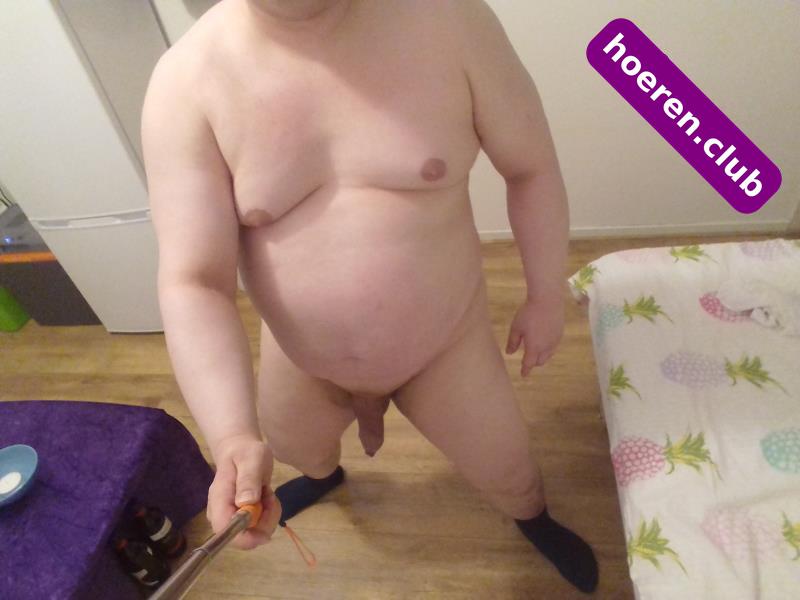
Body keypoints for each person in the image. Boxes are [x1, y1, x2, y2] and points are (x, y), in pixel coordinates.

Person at [142, 0, 597, 593]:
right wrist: (230, 436)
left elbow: (530, 168)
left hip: (445, 344)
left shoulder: (451, 21)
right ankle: (322, 476)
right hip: (302, 359)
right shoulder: (186, 82)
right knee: (298, 449)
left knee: (509, 468)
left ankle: (533, 516)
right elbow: (194, 280)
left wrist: (545, 297)